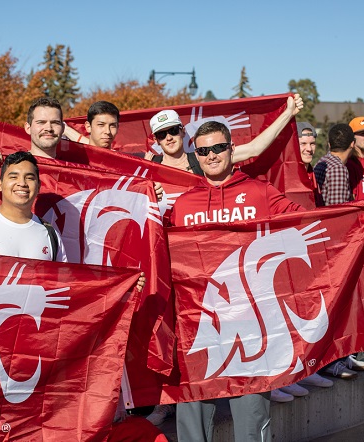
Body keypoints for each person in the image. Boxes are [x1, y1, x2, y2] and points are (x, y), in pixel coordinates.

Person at [145, 94, 303, 425]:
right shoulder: (184, 203)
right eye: (204, 151)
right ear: (196, 154)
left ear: (232, 150)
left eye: (218, 148)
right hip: (198, 328)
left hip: (252, 329)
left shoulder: (260, 192)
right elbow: (158, 251)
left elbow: (309, 224)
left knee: (250, 425)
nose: (212, 155)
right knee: (192, 421)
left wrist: (358, 215)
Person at [145, 94, 304, 173]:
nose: (169, 137)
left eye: (172, 130)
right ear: (156, 140)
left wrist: (287, 114)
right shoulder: (147, 166)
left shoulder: (204, 158)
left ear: (182, 130)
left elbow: (253, 149)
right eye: (161, 134)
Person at [313, 124, 355, 207]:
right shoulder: (338, 168)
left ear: (329, 144)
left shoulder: (322, 160)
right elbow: (338, 209)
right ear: (352, 144)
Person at [347, 116, 364, 201]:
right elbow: (351, 201)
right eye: (363, 134)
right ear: (352, 137)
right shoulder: (349, 165)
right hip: (360, 214)